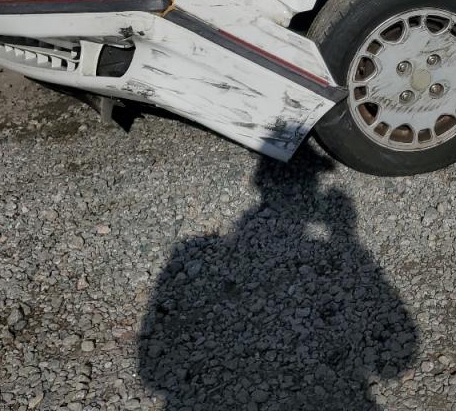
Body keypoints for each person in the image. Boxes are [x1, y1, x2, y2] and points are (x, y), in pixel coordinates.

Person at [138, 150, 417, 410]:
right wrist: (345, 237)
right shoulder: (329, 251)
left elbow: (153, 372)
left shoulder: (193, 251)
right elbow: (396, 360)